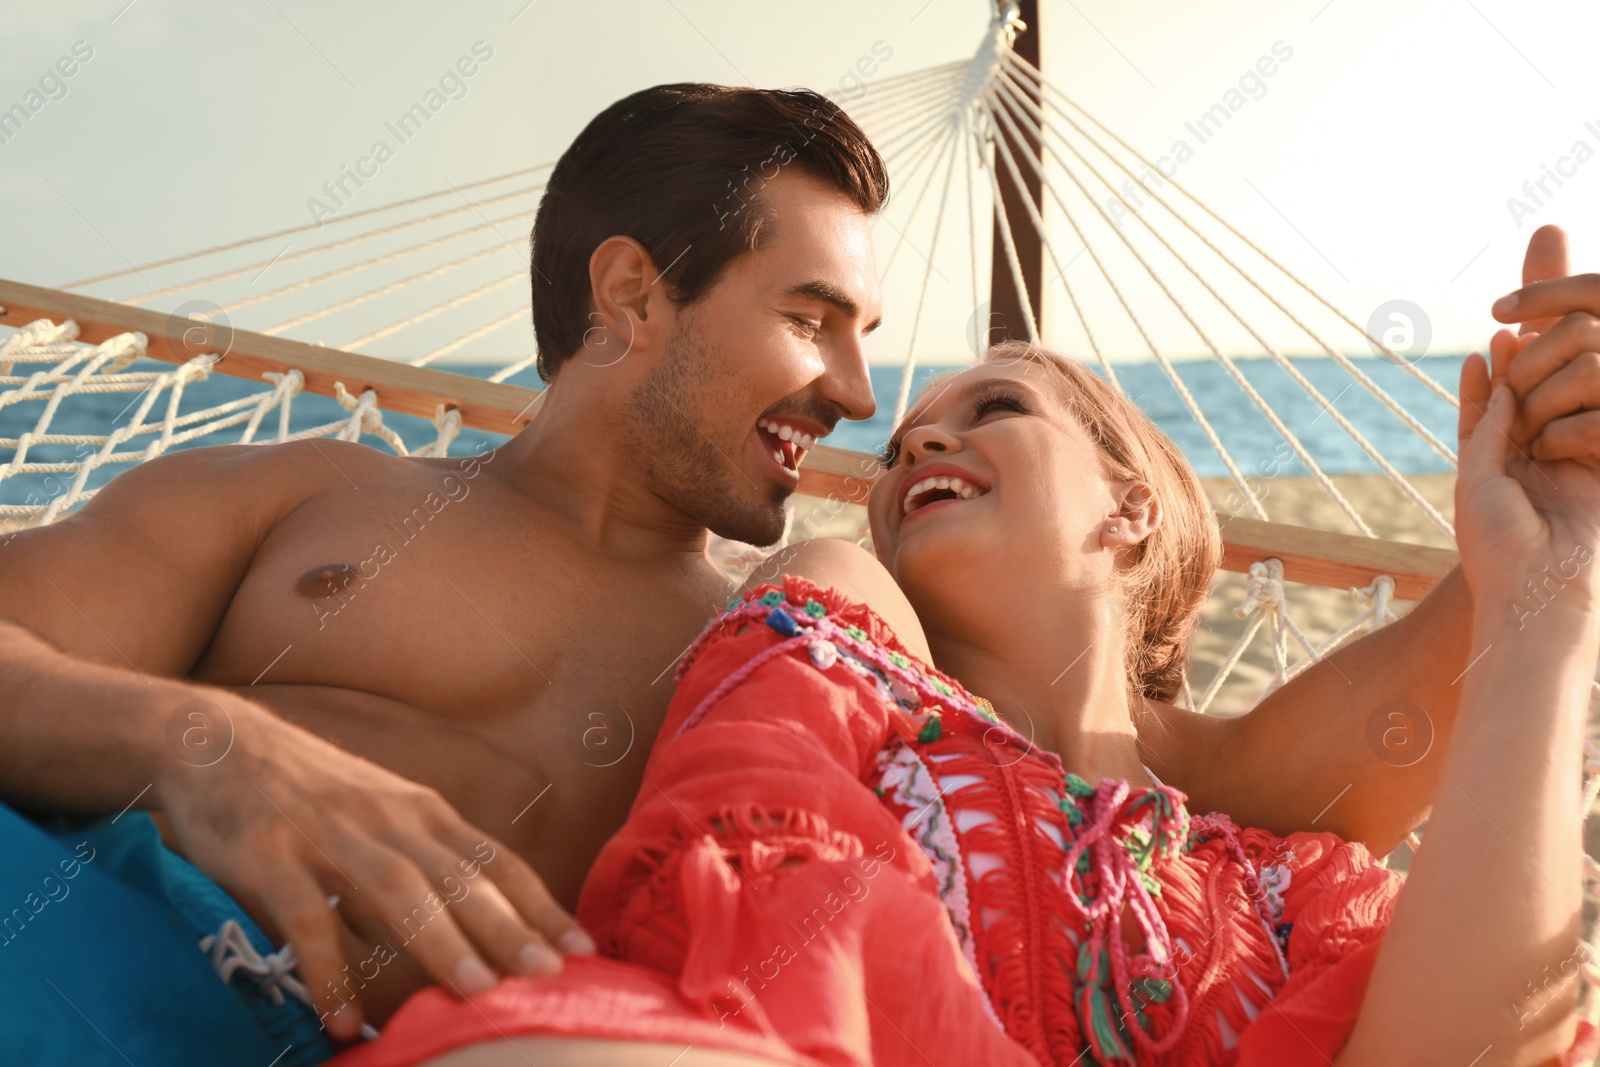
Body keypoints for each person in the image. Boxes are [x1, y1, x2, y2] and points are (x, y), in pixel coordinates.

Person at [0, 75, 1584, 1061]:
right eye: (814, 317)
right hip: (90, 929)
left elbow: (1235, 768)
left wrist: (1536, 516)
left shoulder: (835, 656)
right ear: (634, 295)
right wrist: (203, 741)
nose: (857, 399)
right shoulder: (307, 494)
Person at [327, 319, 1600, 1066]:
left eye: (992, 409)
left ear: (1131, 506)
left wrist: (1557, 591)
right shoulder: (847, 634)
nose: (921, 442)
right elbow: (765, 887)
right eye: (898, 446)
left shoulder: (1284, 877)